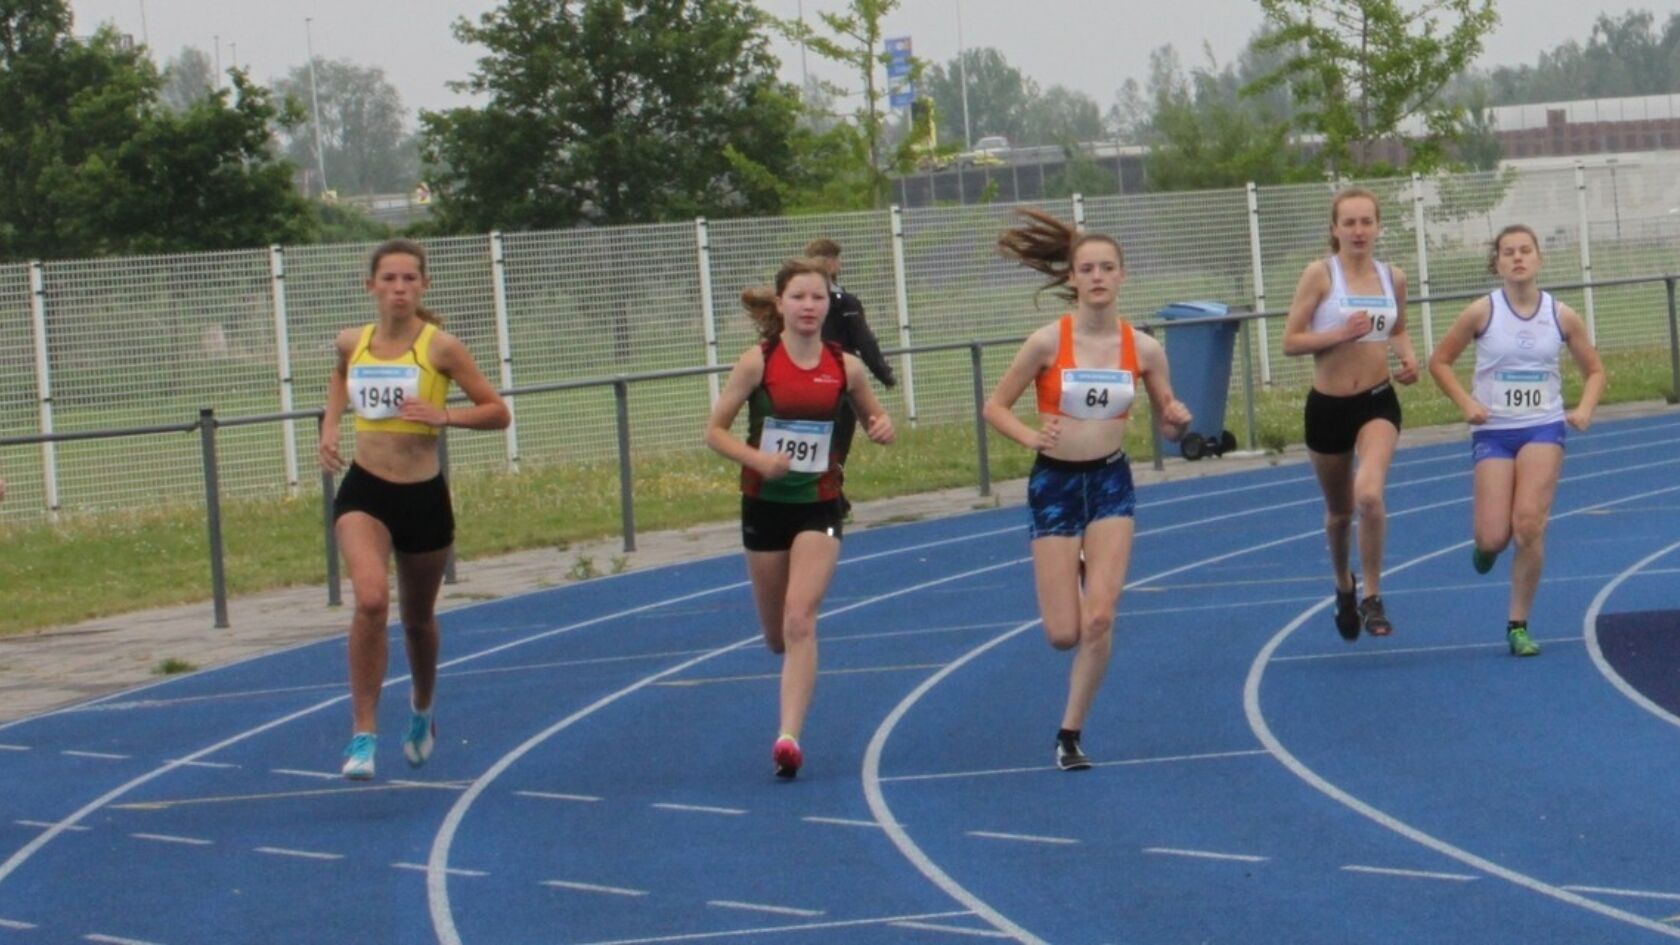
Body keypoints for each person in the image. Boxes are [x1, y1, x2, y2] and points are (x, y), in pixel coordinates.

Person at [981, 209, 1191, 771]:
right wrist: (1031, 433)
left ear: (1122, 276)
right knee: (1062, 633)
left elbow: (1169, 422)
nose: (1098, 277)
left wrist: (1176, 418)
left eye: (1108, 268)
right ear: (1071, 278)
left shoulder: (1144, 349)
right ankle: (1074, 569)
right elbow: (994, 406)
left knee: (1101, 617)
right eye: (1088, 268)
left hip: (1109, 481)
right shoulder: (1046, 343)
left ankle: (1070, 732)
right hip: (1054, 484)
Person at [319, 238, 510, 780]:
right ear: (371, 286)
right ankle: (362, 735)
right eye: (389, 279)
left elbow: (498, 412)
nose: (399, 289)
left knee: (417, 619)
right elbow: (339, 374)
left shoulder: (440, 348)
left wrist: (444, 416)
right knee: (371, 601)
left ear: (422, 286)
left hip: (422, 495)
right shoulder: (352, 341)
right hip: (365, 490)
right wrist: (331, 425)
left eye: (409, 279)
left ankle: (422, 709)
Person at [704, 257, 895, 779]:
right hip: (764, 504)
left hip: (820, 503)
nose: (810, 306)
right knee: (774, 636)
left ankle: (788, 737)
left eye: (818, 297)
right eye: (800, 298)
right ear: (782, 304)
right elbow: (715, 431)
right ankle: (788, 712)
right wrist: (759, 460)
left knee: (799, 619)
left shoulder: (845, 366)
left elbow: (875, 416)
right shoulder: (757, 363)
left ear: (828, 303)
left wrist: (882, 428)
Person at [1427, 224, 1604, 657]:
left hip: (1543, 426)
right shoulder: (1481, 312)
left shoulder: (1561, 316)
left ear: (1539, 258)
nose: (1518, 258)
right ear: (1498, 263)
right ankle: (1485, 550)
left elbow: (1595, 370)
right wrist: (1467, 403)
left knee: (1528, 525)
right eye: (1509, 252)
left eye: (1526, 250)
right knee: (1493, 538)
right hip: (1494, 430)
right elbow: (1440, 361)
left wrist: (1583, 409)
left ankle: (1518, 624)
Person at [1282, 187, 1421, 642]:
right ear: (1335, 229)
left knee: (1369, 496)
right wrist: (1339, 332)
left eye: (1367, 222)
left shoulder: (1392, 277)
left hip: (1377, 403)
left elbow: (1397, 327)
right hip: (1327, 408)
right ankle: (1344, 583)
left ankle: (1373, 594)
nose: (1359, 231)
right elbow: (1290, 342)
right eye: (1350, 223)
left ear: (1379, 227)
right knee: (1339, 513)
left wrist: (1407, 357)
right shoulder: (1320, 276)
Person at [803, 238, 897, 516]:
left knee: (818, 442)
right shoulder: (843, 301)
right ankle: (832, 495)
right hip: (838, 382)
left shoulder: (796, 302)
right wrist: (884, 373)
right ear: (830, 263)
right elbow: (863, 340)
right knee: (838, 442)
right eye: (836, 259)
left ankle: (827, 494)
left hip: (806, 380)